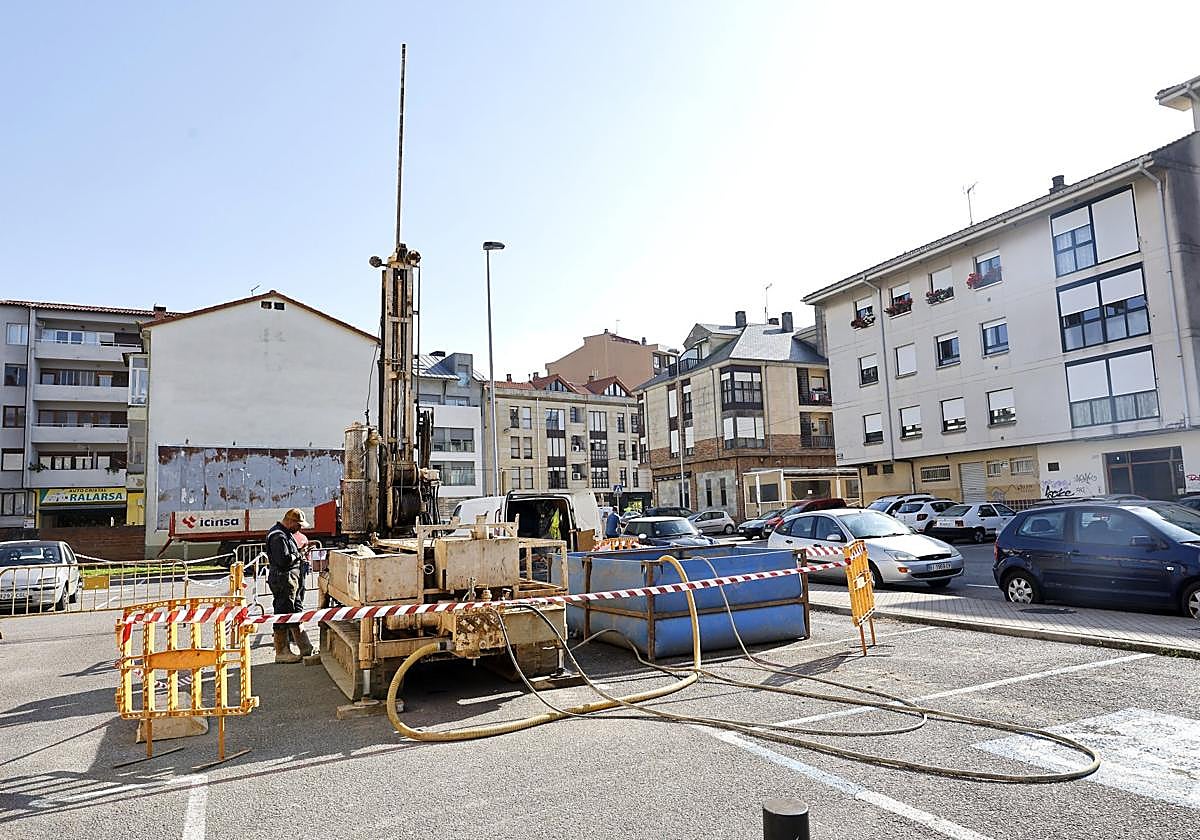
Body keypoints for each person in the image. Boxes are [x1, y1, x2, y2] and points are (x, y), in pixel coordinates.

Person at [266, 508, 313, 663]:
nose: (299, 529)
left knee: (295, 612)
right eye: (298, 525)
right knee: (283, 612)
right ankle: (281, 651)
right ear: (290, 522)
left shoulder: (286, 534)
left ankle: (305, 647)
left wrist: (298, 552)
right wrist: (298, 554)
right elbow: (283, 561)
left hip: (290, 579)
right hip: (283, 580)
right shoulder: (278, 536)